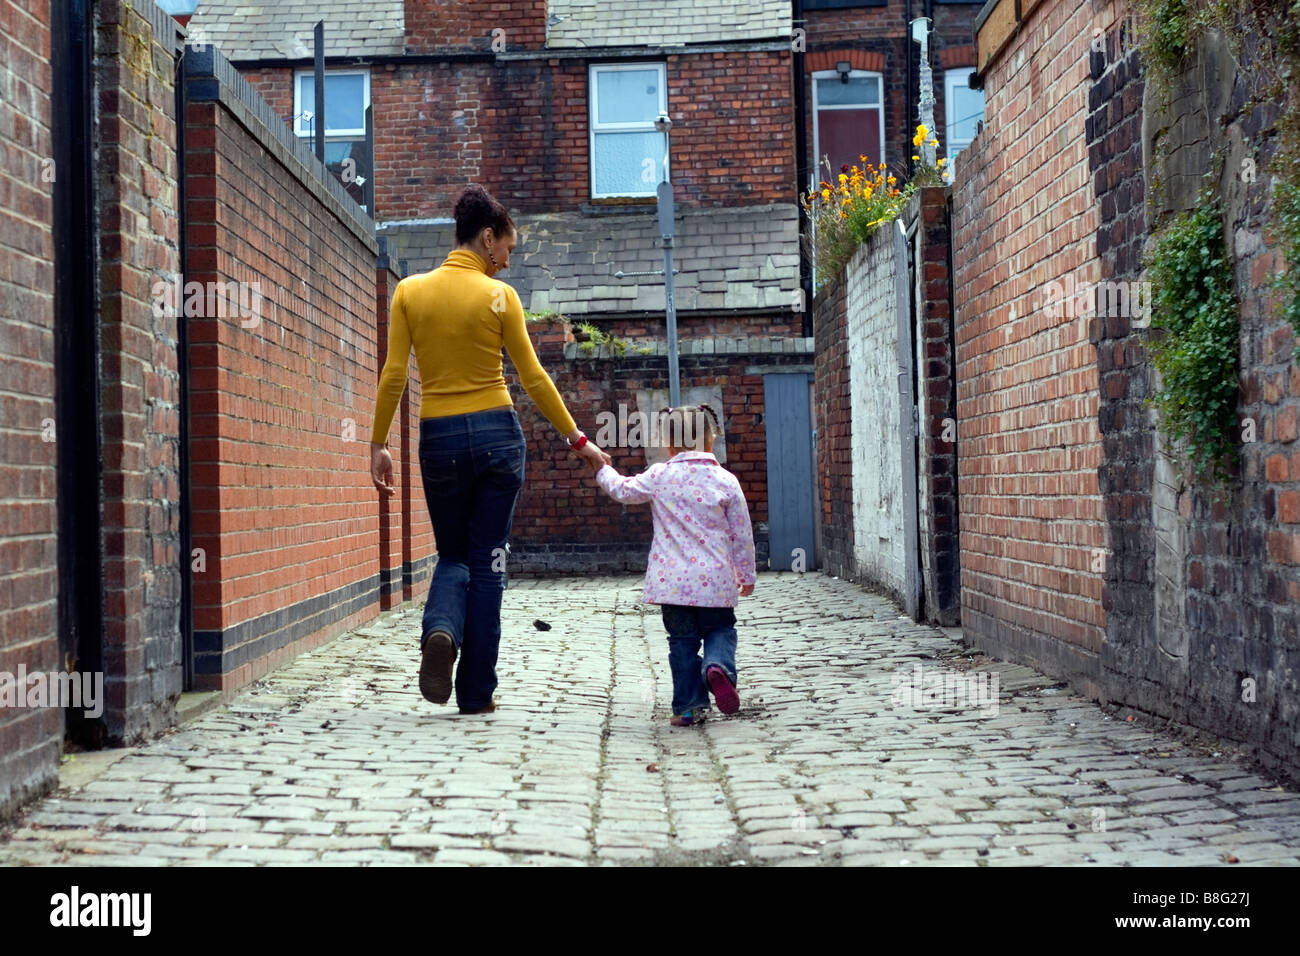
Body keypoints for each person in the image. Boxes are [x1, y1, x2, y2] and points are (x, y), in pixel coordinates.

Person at [369, 184, 611, 714]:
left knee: (454, 554)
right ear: (486, 237)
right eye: (507, 248)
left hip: (440, 439)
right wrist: (580, 441)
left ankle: (440, 631)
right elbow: (534, 379)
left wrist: (378, 442)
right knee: (490, 562)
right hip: (499, 439)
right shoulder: (500, 298)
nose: (506, 260)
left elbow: (393, 375)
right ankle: (477, 692)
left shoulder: (408, 292)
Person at [588, 404, 756, 726]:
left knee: (682, 643)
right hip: (716, 583)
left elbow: (622, 490)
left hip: (673, 586)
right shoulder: (726, 481)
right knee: (720, 629)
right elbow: (742, 533)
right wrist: (746, 574)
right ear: (710, 441)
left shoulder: (660, 476)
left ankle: (688, 707)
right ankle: (717, 667)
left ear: (669, 445)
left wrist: (602, 467)